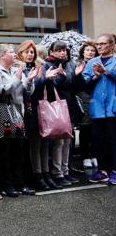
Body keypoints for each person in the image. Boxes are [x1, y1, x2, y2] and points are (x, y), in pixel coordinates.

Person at [0, 44, 39, 197]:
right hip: (2, 111)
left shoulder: (16, 68)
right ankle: (7, 185)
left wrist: (29, 80)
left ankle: (20, 183)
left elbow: (27, 91)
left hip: (17, 112)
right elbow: (2, 91)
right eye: (11, 52)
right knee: (5, 152)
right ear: (2, 55)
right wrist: (17, 77)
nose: (15, 54)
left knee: (19, 152)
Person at [44, 40, 83, 187]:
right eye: (59, 50)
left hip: (69, 105)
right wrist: (61, 75)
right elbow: (50, 86)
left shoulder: (70, 64)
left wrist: (78, 75)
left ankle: (66, 171)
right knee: (58, 142)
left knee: (68, 141)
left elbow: (77, 87)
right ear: (51, 52)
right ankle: (57, 172)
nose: (62, 52)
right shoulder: (48, 65)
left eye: (64, 50)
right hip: (56, 107)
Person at [16, 40, 54, 191]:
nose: (30, 55)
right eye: (27, 52)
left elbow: (49, 88)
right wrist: (42, 78)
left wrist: (50, 79)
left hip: (41, 109)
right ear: (20, 53)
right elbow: (25, 90)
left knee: (45, 143)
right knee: (34, 145)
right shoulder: (18, 68)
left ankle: (46, 173)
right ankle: (37, 175)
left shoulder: (40, 67)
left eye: (32, 52)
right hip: (26, 111)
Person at [83, 34, 116, 184]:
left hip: (113, 107)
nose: (100, 46)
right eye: (98, 44)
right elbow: (84, 85)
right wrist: (94, 77)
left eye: (103, 44)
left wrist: (107, 73)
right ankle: (102, 170)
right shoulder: (92, 62)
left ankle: (114, 171)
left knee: (113, 140)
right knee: (98, 141)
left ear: (111, 44)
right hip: (97, 107)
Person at [76, 41, 99, 169]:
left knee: (95, 129)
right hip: (83, 98)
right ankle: (85, 156)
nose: (90, 52)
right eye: (88, 50)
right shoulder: (78, 64)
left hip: (96, 97)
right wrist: (93, 78)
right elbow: (80, 84)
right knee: (85, 127)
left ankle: (94, 154)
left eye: (92, 50)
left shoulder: (98, 63)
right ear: (83, 52)